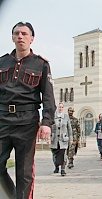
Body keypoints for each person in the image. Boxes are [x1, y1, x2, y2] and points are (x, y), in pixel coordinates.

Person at [0, 22, 56, 199]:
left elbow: (48, 96)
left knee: (24, 172)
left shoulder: (41, 64)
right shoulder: (2, 62)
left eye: (24, 33)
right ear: (12, 37)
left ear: (32, 39)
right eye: (17, 33)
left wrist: (46, 122)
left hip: (27, 122)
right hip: (2, 120)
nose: (20, 36)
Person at [50, 103, 73, 176]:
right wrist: (48, 137)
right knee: (55, 155)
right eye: (59, 107)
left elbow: (69, 128)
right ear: (57, 108)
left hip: (63, 139)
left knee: (64, 154)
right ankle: (56, 166)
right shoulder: (53, 116)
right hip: (54, 140)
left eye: (62, 107)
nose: (60, 108)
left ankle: (63, 169)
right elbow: (50, 127)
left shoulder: (66, 117)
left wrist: (71, 138)